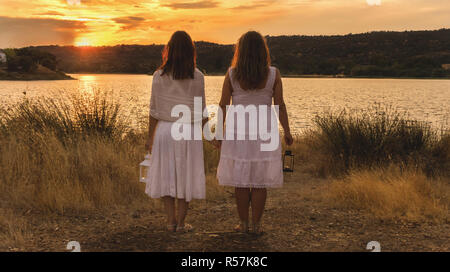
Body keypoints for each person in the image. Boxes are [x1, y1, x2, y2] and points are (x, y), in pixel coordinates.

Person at [216, 31, 293, 234]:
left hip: (237, 132)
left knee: (241, 181)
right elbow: (280, 106)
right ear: (262, 51)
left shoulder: (232, 73)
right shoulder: (273, 74)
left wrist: (217, 133)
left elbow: (223, 105)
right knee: (259, 182)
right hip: (264, 133)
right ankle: (257, 225)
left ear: (240, 51)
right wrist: (287, 131)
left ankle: (243, 224)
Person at [144, 31, 207, 233]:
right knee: (184, 177)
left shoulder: (158, 76)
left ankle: (170, 221)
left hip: (164, 130)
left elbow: (154, 111)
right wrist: (212, 135)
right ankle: (181, 223)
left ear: (169, 50)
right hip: (188, 131)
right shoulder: (197, 77)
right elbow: (201, 111)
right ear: (191, 52)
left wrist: (149, 138)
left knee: (167, 176)